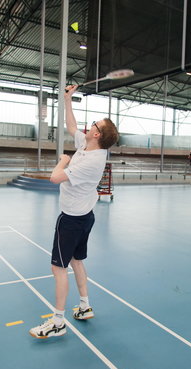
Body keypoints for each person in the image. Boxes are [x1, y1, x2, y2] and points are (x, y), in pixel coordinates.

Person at [29, 84, 119, 339]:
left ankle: (58, 321)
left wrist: (63, 160)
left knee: (58, 268)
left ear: (98, 135)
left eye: (95, 125)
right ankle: (84, 305)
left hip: (71, 220)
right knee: (76, 261)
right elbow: (71, 126)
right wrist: (67, 99)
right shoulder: (88, 145)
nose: (90, 126)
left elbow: (55, 178)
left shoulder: (92, 160)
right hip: (85, 217)